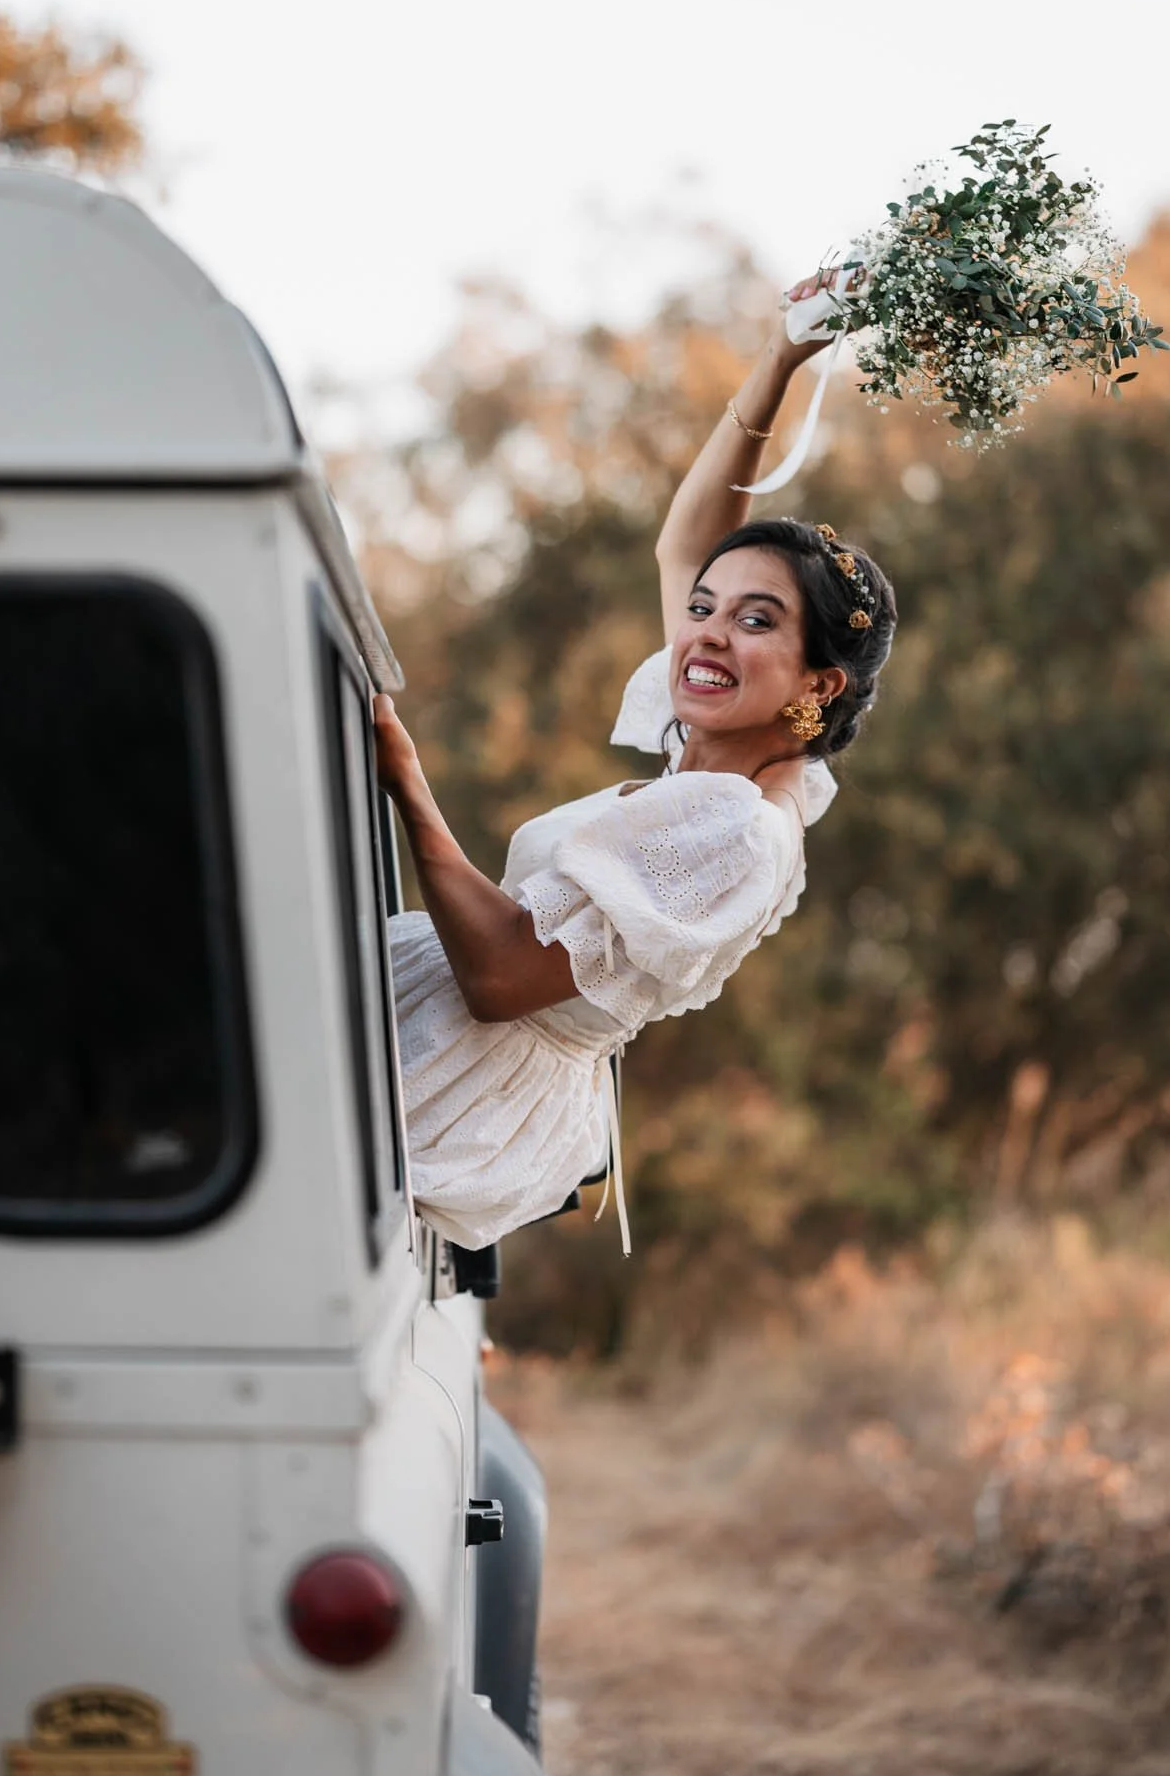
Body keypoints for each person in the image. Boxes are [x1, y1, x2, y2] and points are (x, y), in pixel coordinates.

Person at [373, 278, 898, 1253]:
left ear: (818, 683)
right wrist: (784, 356)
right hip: (423, 1032)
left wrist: (407, 784)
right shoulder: (706, 752)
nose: (705, 633)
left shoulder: (737, 825)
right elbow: (685, 542)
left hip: (447, 1086)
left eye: (756, 619)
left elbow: (497, 976)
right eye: (707, 606)